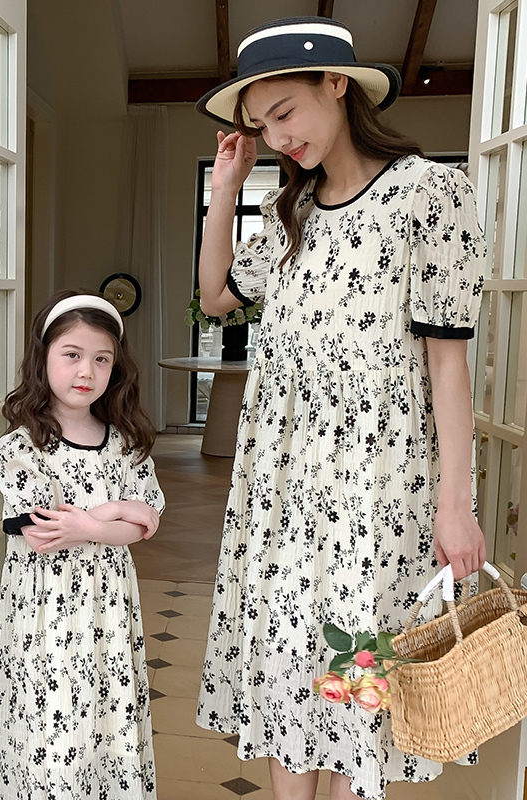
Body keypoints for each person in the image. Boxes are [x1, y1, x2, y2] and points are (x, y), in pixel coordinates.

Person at [194, 16, 486, 800]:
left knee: (354, 679)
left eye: (285, 112)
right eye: (261, 125)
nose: (277, 136)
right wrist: (225, 192)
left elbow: (447, 367)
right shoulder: (290, 213)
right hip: (285, 484)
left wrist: (454, 507)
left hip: (381, 484)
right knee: (292, 667)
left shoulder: (427, 194)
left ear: (338, 85)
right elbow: (217, 294)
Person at [0, 290, 165, 799]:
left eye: (101, 359)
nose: (86, 370)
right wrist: (106, 515)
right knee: (54, 722)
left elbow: (146, 523)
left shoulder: (125, 442)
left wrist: (90, 524)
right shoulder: (21, 447)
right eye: (72, 354)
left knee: (110, 718)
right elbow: (44, 532)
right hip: (45, 617)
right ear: (43, 358)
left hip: (108, 609)